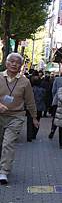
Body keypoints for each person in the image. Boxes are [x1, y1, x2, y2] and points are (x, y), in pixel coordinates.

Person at [0, 53, 37, 185]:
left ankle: (4, 171)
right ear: (6, 63)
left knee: (8, 143)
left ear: (21, 66)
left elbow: (30, 101)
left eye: (18, 62)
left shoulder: (24, 82)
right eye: (12, 61)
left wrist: (34, 117)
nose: (14, 64)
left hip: (16, 116)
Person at [29, 76, 46, 140]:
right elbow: (44, 98)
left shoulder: (31, 89)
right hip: (40, 107)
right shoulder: (43, 90)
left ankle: (30, 134)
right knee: (37, 120)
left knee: (31, 121)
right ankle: (34, 134)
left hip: (32, 107)